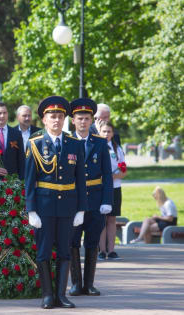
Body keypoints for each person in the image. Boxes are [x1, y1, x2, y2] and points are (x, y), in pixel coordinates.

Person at [25, 96, 88, 309]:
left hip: (67, 206)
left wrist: (81, 208)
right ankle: (47, 295)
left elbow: (81, 179)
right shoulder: (35, 144)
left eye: (60, 116)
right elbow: (29, 181)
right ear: (44, 119)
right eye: (52, 116)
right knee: (43, 251)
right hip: (43, 207)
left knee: (64, 250)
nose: (56, 120)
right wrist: (31, 210)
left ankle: (61, 295)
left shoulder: (74, 144)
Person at [69, 98, 113, 297]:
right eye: (80, 118)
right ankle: (76, 283)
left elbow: (107, 175)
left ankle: (90, 284)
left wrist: (107, 201)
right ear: (73, 120)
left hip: (95, 200)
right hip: (73, 201)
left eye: (87, 118)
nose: (84, 122)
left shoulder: (100, 143)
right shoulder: (67, 141)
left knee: (92, 243)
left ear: (91, 120)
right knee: (72, 242)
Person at [98, 121, 126, 260]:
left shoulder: (117, 149)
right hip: (100, 188)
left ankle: (112, 250)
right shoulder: (96, 147)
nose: (106, 134)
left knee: (112, 219)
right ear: (99, 132)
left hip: (115, 187)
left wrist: (115, 176)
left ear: (113, 133)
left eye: (109, 132)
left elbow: (123, 169)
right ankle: (102, 250)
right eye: (104, 131)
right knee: (101, 219)